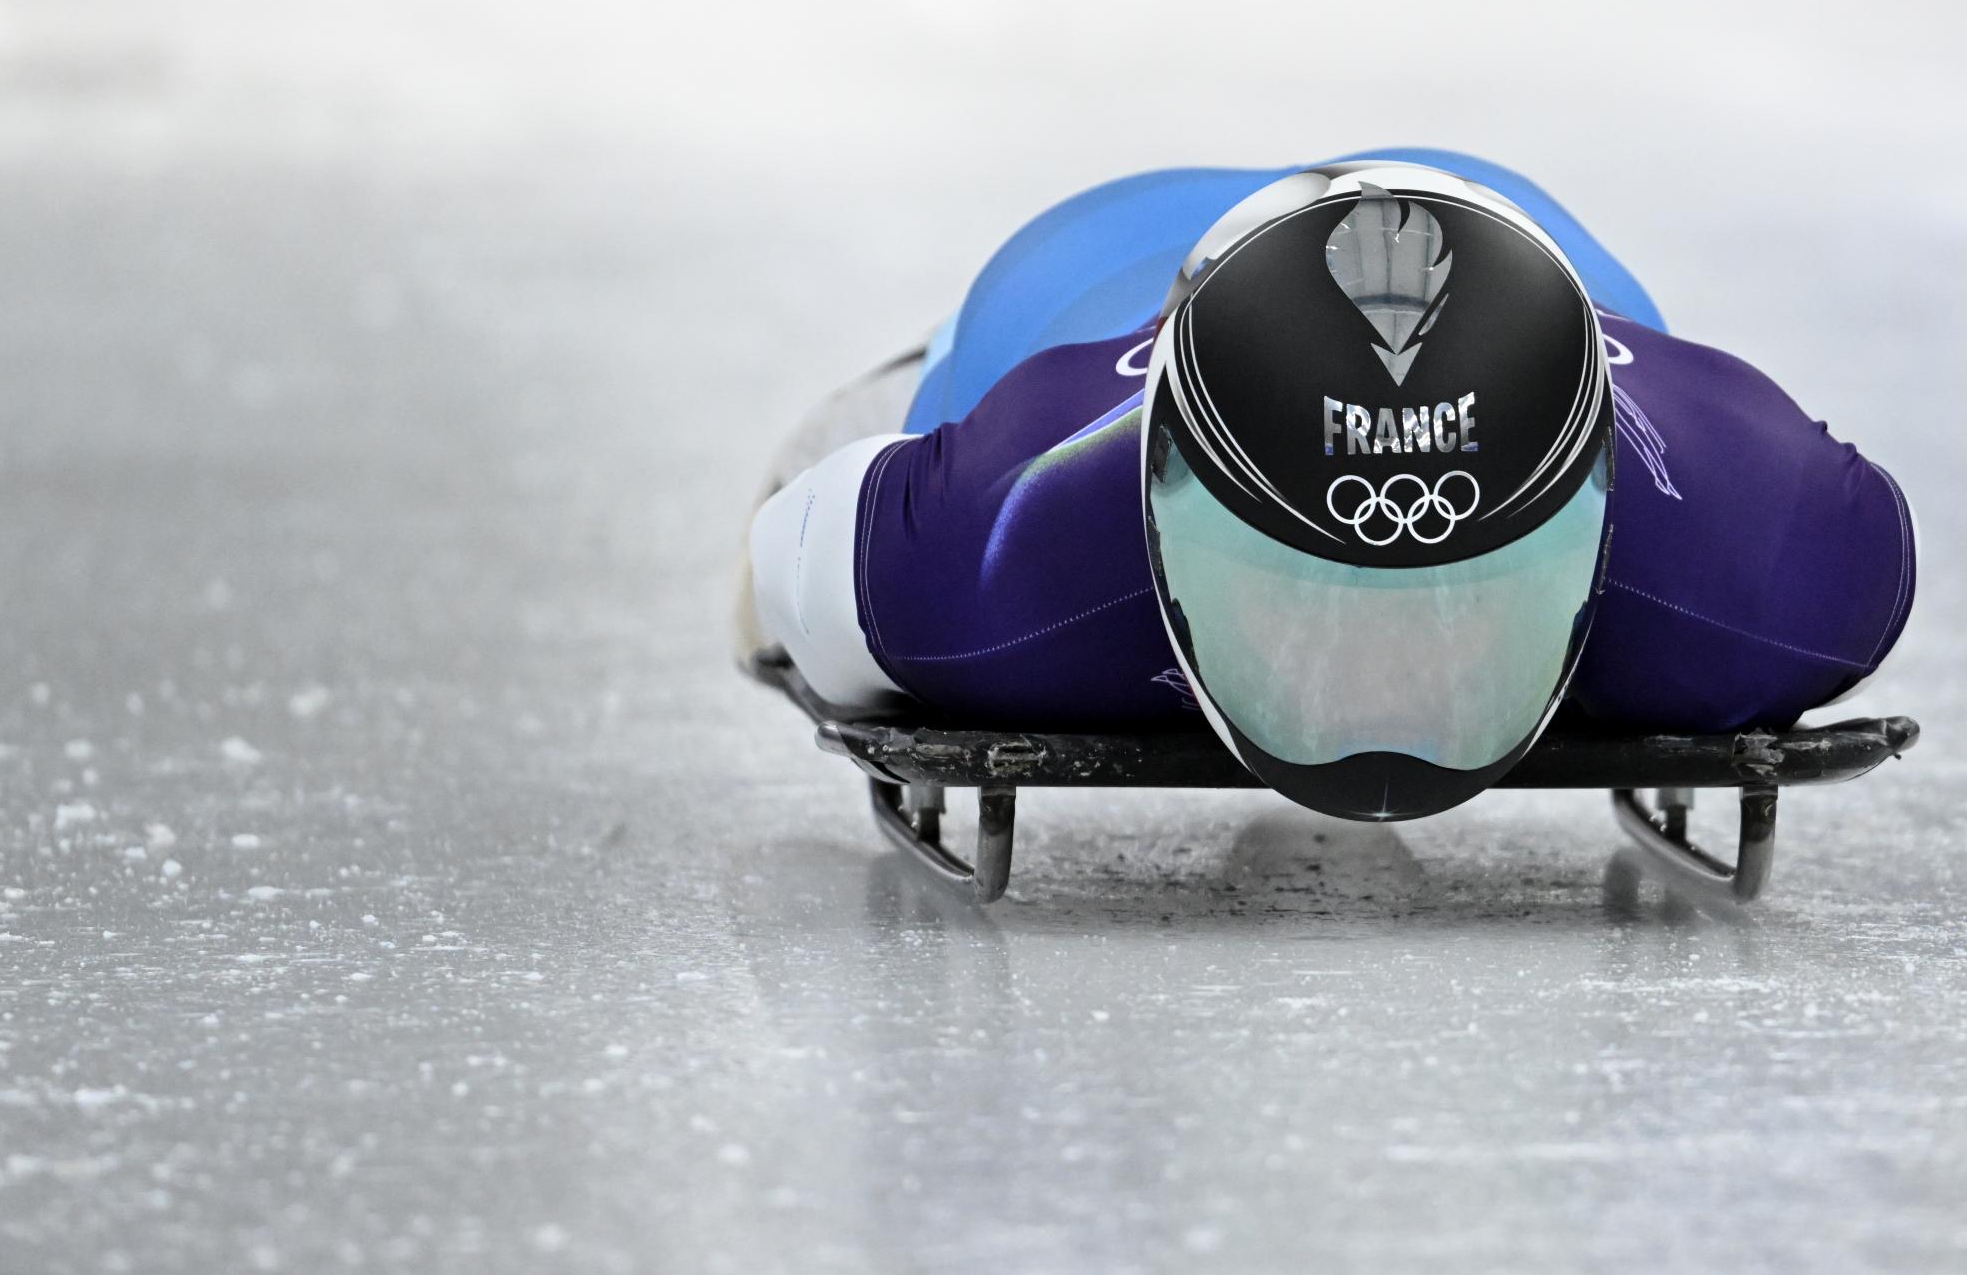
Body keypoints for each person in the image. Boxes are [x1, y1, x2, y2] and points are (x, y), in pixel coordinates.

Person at [736, 150, 1917, 821]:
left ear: (1597, 515)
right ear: (1160, 517)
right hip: (1100, 269)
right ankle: (923, 359)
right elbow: (787, 551)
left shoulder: (1755, 555)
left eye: (1468, 590)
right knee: (860, 455)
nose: (1385, 682)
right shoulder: (999, 540)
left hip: (1507, 244)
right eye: (1304, 589)